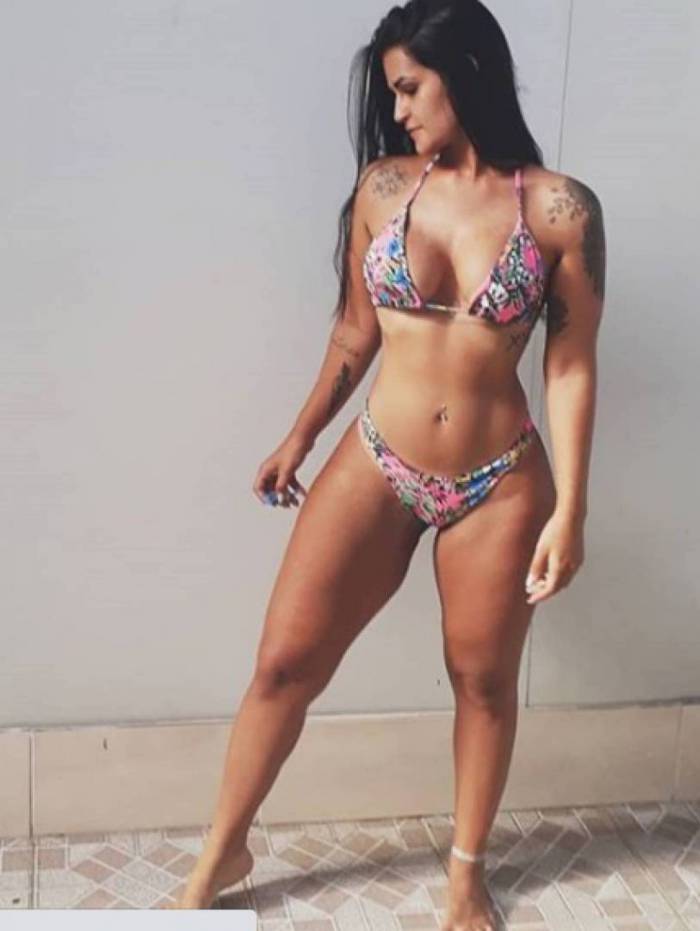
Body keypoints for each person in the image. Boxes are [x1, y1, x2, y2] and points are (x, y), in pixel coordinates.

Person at [170, 0, 606, 926]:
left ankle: (465, 873)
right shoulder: (384, 190)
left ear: (467, 73)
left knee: (482, 680)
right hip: (380, 456)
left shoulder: (559, 209)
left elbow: (570, 364)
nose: (398, 110)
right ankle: (219, 854)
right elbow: (354, 332)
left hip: (500, 478)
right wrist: (299, 435)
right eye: (392, 93)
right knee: (285, 662)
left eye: (410, 88)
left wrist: (570, 508)